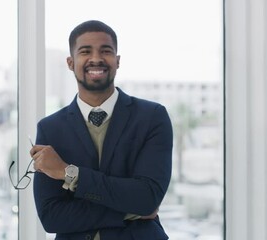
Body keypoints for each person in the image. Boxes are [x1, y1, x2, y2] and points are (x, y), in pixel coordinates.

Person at [30, 20, 173, 240]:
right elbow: (51, 217)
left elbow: (147, 198)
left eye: (105, 51)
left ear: (117, 61)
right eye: (85, 51)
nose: (96, 59)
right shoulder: (50, 129)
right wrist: (129, 210)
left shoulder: (152, 117)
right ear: (70, 62)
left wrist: (69, 173)